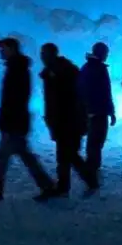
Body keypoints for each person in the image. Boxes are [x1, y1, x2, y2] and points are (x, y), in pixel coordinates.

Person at [0, 37, 58, 202]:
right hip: (15, 120)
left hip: (14, 121)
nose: (0, 51)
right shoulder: (16, 68)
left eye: (3, 48)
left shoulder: (17, 70)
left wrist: (8, 119)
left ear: (12, 49)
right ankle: (45, 186)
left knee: (11, 155)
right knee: (16, 155)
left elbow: (16, 98)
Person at [39, 43, 98, 196]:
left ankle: (72, 184)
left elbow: (64, 100)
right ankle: (76, 182)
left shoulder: (60, 73)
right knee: (67, 154)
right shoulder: (58, 71)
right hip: (65, 121)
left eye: (44, 53)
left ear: (52, 54)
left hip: (68, 121)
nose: (42, 57)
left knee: (68, 154)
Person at [79, 41, 116, 179]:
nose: (107, 55)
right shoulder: (99, 69)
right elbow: (106, 92)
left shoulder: (86, 68)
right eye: (106, 53)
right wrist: (110, 111)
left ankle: (92, 166)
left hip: (92, 111)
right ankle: (91, 168)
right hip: (98, 111)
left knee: (94, 140)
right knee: (96, 140)